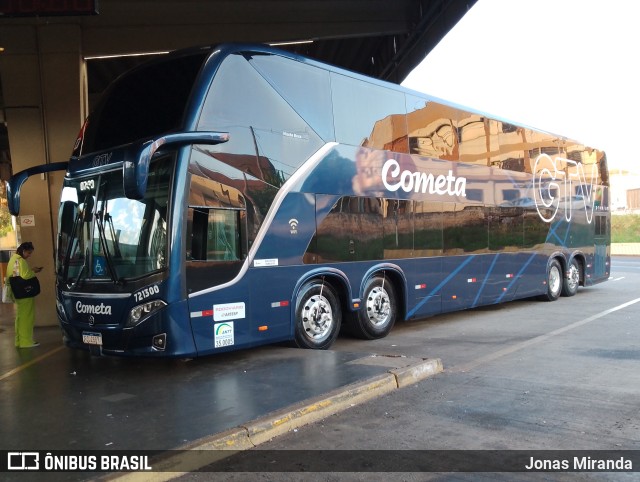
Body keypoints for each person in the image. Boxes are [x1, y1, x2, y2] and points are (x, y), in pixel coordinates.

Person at [6, 242, 42, 348]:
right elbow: (26, 275)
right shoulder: (21, 261)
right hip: (25, 294)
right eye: (29, 253)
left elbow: (12, 274)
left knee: (20, 317)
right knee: (27, 317)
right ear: (23, 251)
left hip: (16, 292)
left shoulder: (12, 259)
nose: (29, 255)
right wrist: (34, 271)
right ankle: (26, 342)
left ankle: (19, 341)